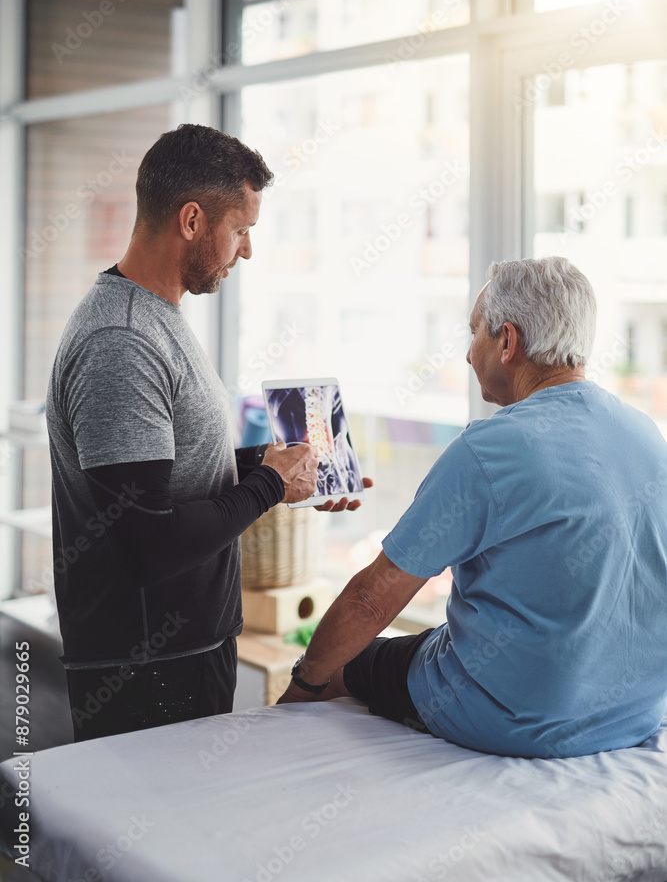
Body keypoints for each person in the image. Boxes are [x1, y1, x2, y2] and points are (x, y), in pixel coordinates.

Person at [46, 124, 367, 742]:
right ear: (192, 220)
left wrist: (279, 466)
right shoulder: (124, 342)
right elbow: (148, 544)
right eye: (241, 229)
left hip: (183, 654)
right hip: (144, 672)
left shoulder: (155, 318)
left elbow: (169, 468)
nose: (246, 250)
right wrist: (270, 483)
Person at [278, 256, 667, 759]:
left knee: (342, 665)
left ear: (508, 341)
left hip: (515, 721)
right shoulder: (647, 434)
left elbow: (370, 602)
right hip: (631, 714)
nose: (467, 355)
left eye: (474, 333)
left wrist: (301, 687)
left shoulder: (489, 450)